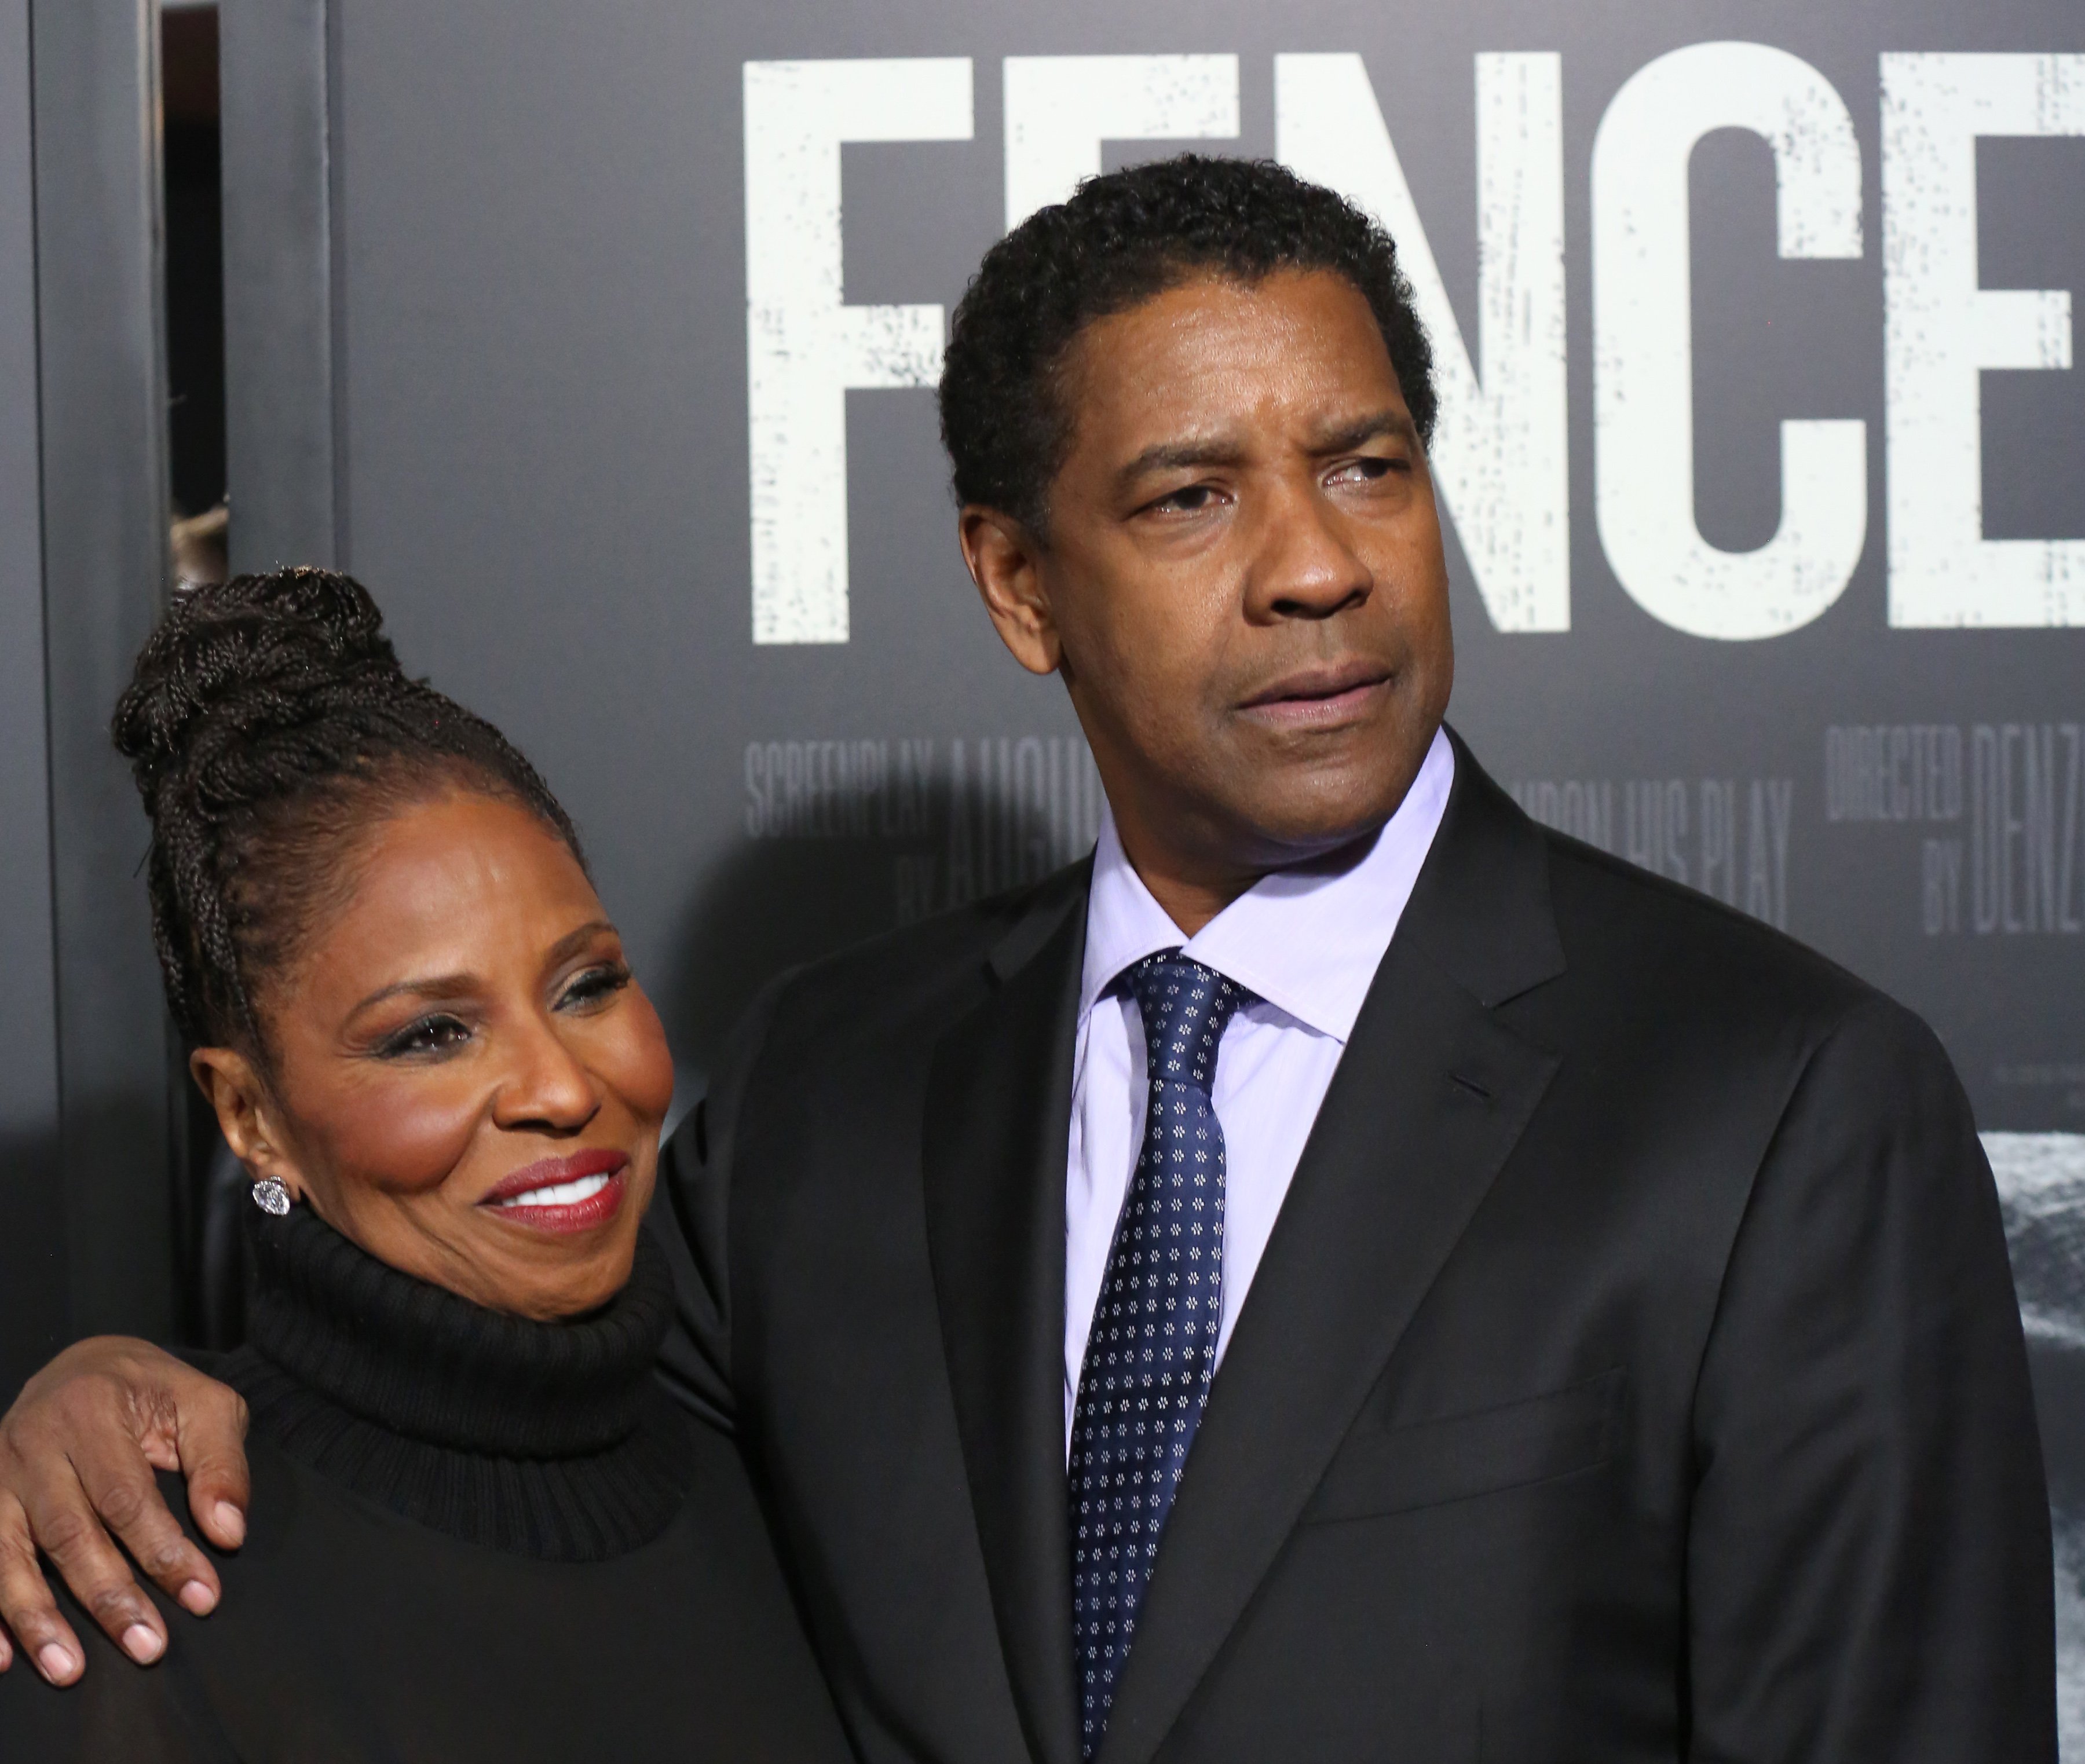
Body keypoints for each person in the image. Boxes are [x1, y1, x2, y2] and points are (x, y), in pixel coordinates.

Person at [0, 157, 2055, 1761]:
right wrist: (110, 1386)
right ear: (1015, 584)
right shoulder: (831, 1086)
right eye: (1190, 495)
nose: (1318, 561)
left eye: (1367, 463)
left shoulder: (1782, 1102)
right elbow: (527, 1452)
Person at [0, 569, 851, 1761]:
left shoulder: (786, 1487)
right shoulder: (135, 1597)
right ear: (251, 1114)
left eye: (587, 983)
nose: (560, 1085)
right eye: (431, 1034)